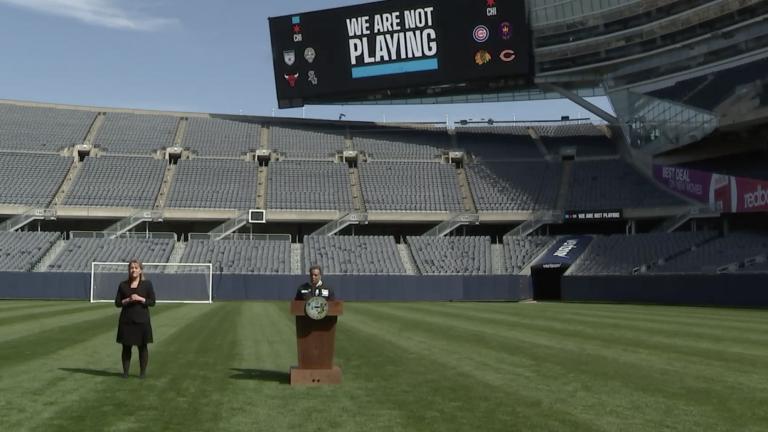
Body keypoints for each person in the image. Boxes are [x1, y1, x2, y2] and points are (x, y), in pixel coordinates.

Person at [115, 259, 156, 378]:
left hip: (142, 320)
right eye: (131, 268)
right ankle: (125, 373)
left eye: (136, 268)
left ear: (140, 270)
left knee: (142, 347)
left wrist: (140, 298)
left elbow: (152, 302)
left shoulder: (147, 284)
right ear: (129, 270)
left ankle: (142, 373)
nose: (133, 270)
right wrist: (127, 300)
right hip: (126, 321)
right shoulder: (123, 285)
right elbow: (117, 303)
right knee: (126, 347)